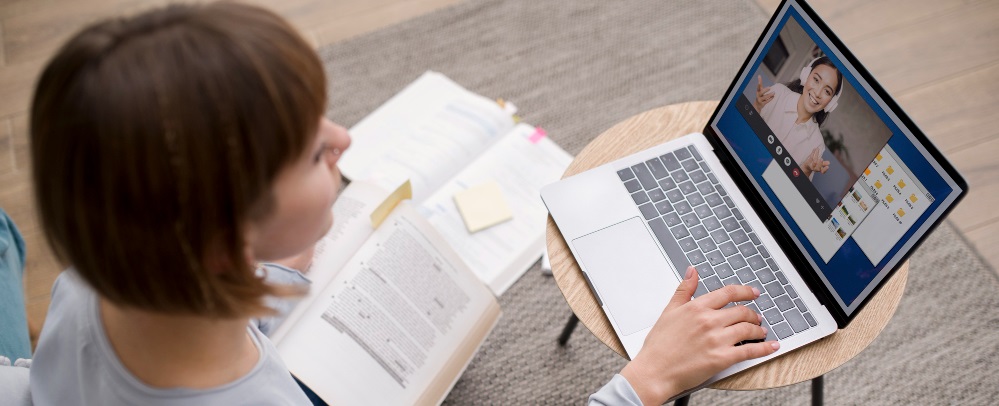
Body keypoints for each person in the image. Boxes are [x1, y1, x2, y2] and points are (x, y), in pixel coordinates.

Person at [26, 3, 778, 405]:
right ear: (220, 243)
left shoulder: (90, 282)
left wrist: (265, 265)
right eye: (314, 153)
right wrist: (641, 383)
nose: (344, 138)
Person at [753, 56, 844, 178]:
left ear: (831, 103)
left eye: (827, 91)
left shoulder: (817, 143)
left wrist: (806, 170)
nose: (817, 93)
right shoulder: (778, 93)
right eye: (816, 80)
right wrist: (756, 107)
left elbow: (789, 189)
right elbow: (743, 132)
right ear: (806, 76)